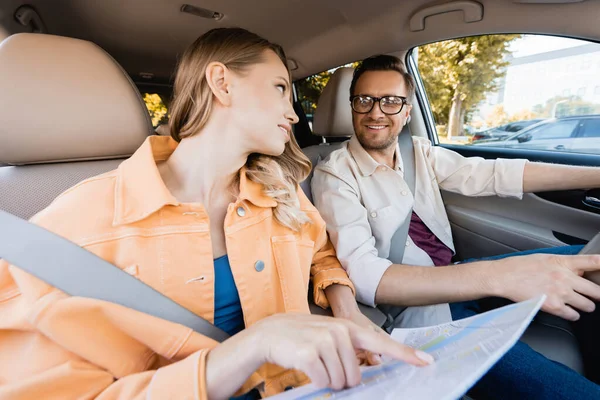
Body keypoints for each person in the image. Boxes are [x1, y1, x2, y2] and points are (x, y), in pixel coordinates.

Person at [0, 31, 434, 400]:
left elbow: (322, 256)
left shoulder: (279, 192)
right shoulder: (68, 230)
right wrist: (252, 347)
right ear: (222, 83)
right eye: (281, 88)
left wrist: (347, 311)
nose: (294, 113)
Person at [311, 54, 600, 399]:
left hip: (460, 273)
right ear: (352, 107)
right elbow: (364, 275)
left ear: (406, 111)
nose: (376, 112)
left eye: (390, 101)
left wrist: (595, 175)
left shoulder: (418, 150)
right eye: (365, 101)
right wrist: (501, 276)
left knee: (590, 258)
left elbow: (493, 174)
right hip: (422, 313)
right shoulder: (334, 174)